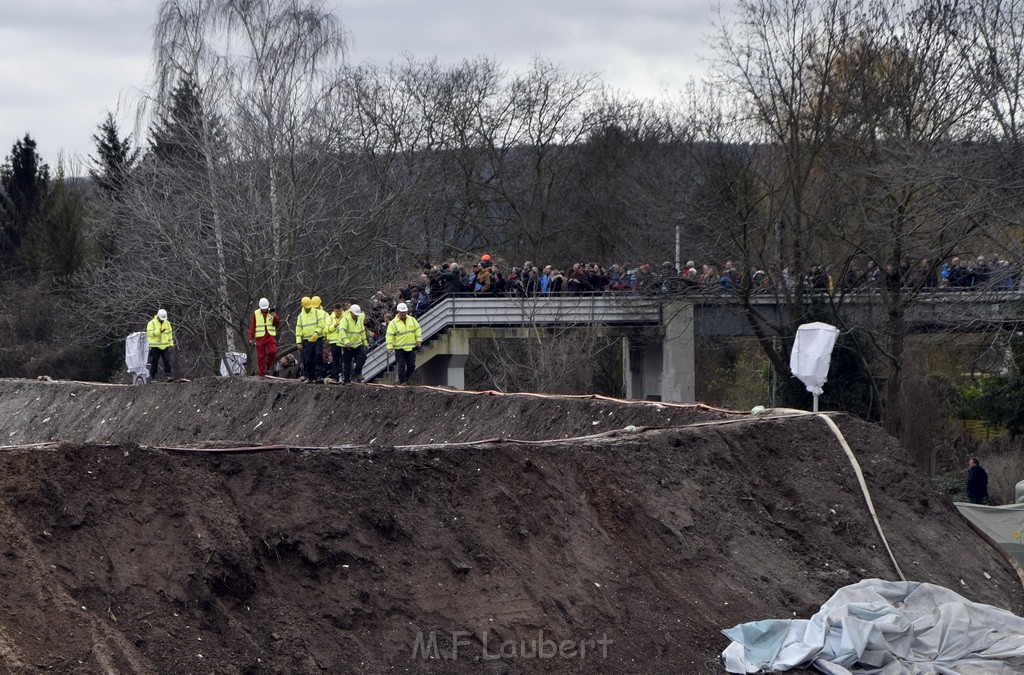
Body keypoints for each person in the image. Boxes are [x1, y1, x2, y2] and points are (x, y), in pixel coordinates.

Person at [386, 302, 422, 385]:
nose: (403, 314)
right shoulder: (393, 323)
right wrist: (390, 347)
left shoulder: (412, 320)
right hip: (399, 349)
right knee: (401, 366)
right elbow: (389, 336)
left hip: (410, 347)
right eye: (402, 312)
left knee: (411, 366)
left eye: (405, 312)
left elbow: (418, 329)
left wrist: (418, 340)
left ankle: (406, 378)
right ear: (398, 312)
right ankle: (402, 381)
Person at [295, 296, 326, 382]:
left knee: (318, 355)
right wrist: (299, 342)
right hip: (307, 340)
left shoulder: (317, 313)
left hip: (318, 338)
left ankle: (318, 375)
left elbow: (321, 324)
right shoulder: (300, 316)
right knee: (308, 359)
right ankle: (310, 377)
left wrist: (317, 332)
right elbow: (298, 330)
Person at [248, 298, 279, 377]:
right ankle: (261, 373)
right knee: (260, 356)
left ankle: (267, 365)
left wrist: (274, 317)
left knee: (273, 352)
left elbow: (277, 323)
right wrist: (251, 338)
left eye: (265, 308)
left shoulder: (272, 311)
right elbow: (253, 326)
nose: (264, 310)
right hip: (260, 337)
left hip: (270, 336)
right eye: (263, 308)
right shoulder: (256, 313)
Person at [340, 303, 369, 383]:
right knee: (347, 363)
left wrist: (365, 343)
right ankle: (346, 380)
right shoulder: (345, 320)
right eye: (355, 314)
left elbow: (362, 332)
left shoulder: (359, 320)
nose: (356, 316)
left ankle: (357, 372)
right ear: (351, 312)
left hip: (358, 343)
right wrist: (346, 342)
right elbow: (342, 332)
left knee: (363, 357)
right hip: (348, 345)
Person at [146, 308, 175, 382]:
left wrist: (171, 344)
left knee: (167, 360)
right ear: (158, 316)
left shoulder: (167, 323)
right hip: (155, 346)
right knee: (154, 362)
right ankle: (153, 377)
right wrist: (159, 331)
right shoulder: (151, 323)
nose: (162, 320)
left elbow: (169, 334)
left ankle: (168, 376)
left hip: (165, 346)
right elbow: (150, 334)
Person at [325, 302, 348, 383]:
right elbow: (327, 329)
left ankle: (346, 377)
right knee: (335, 360)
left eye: (339, 311)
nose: (338, 312)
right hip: (334, 342)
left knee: (345, 360)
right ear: (334, 310)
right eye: (336, 311)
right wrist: (334, 326)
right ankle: (335, 377)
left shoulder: (346, 317)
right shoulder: (330, 318)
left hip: (344, 341)